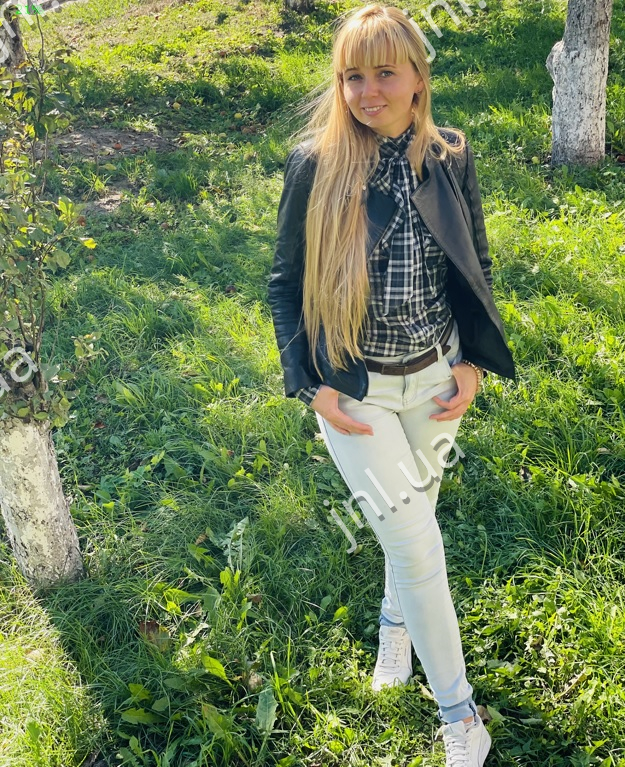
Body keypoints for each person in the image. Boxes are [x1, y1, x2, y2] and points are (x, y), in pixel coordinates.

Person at [268, 5, 515, 766]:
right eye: (352, 76)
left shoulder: (449, 155)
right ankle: (460, 716)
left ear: (417, 78)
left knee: (411, 527)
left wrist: (472, 364)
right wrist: (307, 384)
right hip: (356, 392)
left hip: (437, 380)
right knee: (415, 541)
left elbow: (474, 263)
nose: (367, 91)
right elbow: (283, 282)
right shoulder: (315, 164)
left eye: (384, 73)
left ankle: (394, 622)